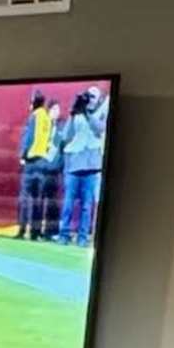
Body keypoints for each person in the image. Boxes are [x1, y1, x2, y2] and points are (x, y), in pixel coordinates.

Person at [57, 85, 107, 242]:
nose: (90, 99)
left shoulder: (102, 112)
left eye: (93, 97)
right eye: (88, 96)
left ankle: (82, 237)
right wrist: (73, 114)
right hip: (74, 163)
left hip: (92, 164)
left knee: (87, 204)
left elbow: (99, 129)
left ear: (98, 99)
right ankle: (64, 234)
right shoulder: (78, 113)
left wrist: (87, 114)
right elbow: (66, 135)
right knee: (68, 202)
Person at [17, 93, 59, 240]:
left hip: (31, 160)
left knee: (25, 197)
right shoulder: (47, 118)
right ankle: (35, 232)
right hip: (42, 161)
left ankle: (22, 230)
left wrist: (23, 155)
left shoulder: (35, 115)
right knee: (37, 199)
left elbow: (29, 137)